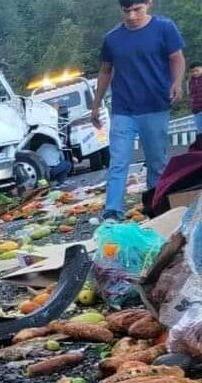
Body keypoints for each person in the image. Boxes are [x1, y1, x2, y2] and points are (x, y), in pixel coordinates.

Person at [91, 0, 185, 221]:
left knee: (156, 161)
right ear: (120, 9)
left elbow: (176, 58)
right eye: (126, 11)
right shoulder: (112, 39)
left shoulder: (164, 28)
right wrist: (95, 104)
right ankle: (113, 211)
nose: (132, 16)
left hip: (155, 106)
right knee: (118, 160)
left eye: (137, 10)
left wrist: (177, 83)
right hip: (123, 109)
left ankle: (155, 204)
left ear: (148, 4)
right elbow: (105, 71)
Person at [191, 61, 202, 132]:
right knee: (199, 132)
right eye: (192, 71)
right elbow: (191, 96)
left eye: (196, 70)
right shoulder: (190, 81)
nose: (194, 73)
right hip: (196, 110)